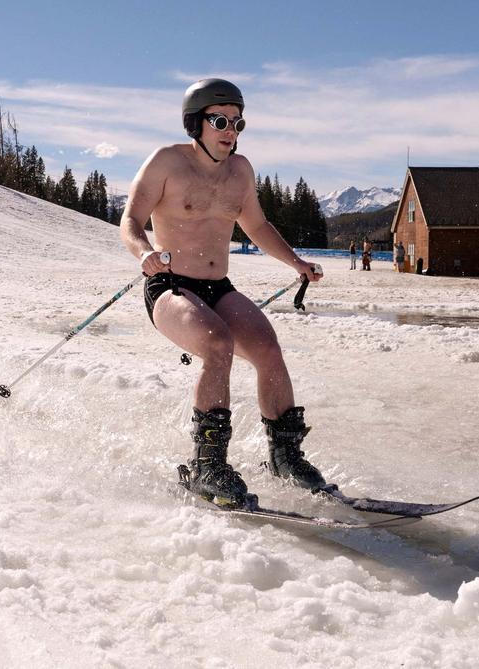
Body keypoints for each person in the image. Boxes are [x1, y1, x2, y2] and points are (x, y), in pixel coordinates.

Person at [120, 78, 326, 505]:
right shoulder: (166, 163)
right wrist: (144, 254)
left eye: (237, 122)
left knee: (268, 347)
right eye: (220, 121)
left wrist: (297, 263)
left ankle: (285, 456)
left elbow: (257, 226)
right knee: (218, 344)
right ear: (196, 123)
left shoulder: (241, 171)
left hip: (218, 287)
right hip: (169, 285)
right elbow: (131, 220)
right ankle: (207, 465)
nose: (230, 131)